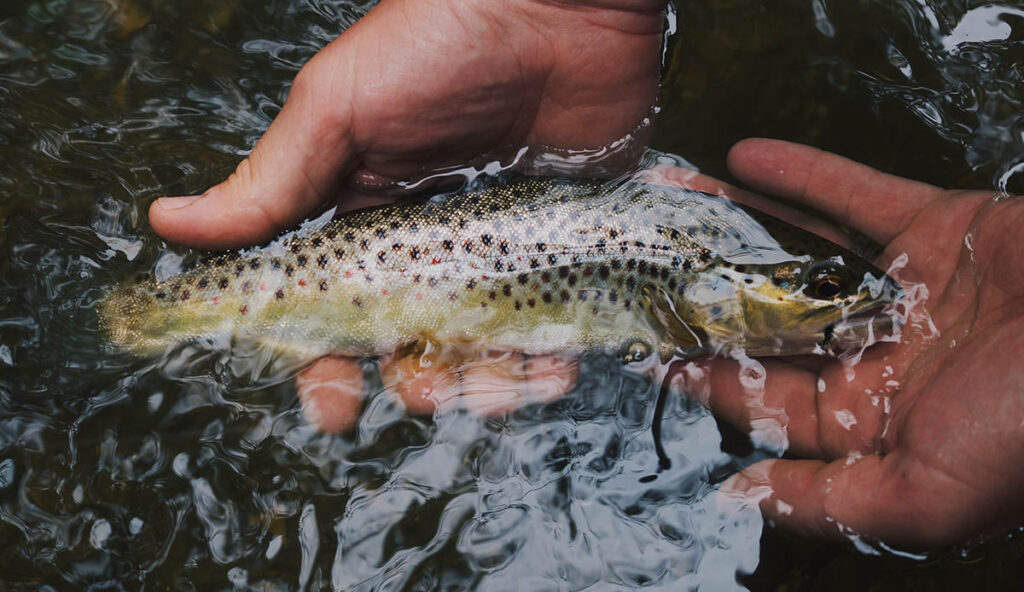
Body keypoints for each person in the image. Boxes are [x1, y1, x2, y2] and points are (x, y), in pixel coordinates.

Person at [147, 0, 1024, 548]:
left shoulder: (695, 266)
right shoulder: (690, 267)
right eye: (827, 291)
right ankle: (152, 323)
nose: (862, 305)